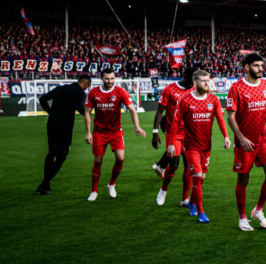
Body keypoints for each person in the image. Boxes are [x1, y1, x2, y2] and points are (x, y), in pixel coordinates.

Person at [167, 70, 230, 224]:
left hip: (206, 146)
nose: (206, 83)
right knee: (197, 177)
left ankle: (193, 204)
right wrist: (171, 143)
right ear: (195, 83)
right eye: (203, 81)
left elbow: (220, 119)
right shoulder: (185, 100)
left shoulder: (214, 99)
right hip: (191, 146)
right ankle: (201, 213)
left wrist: (226, 136)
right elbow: (175, 122)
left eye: (208, 81)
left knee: (201, 179)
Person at [226, 53, 266, 231]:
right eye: (256, 66)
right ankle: (242, 218)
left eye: (262, 66)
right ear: (246, 67)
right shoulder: (236, 88)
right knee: (243, 179)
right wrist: (240, 138)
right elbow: (230, 117)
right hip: (244, 142)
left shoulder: (265, 85)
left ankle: (258, 210)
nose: (260, 69)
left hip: (262, 139)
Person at [85, 68, 146, 201]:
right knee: (98, 160)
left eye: (112, 78)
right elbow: (87, 113)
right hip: (99, 132)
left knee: (120, 158)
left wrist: (137, 127)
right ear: (101, 78)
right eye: (107, 78)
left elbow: (132, 110)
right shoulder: (93, 92)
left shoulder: (120, 91)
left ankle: (111, 184)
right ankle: (94, 191)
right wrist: (88, 132)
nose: (110, 81)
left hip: (115, 131)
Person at [36, 75, 92, 194]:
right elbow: (80, 109)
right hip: (65, 127)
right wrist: (89, 110)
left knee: (51, 153)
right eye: (86, 87)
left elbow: (42, 99)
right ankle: (44, 184)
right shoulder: (80, 93)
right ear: (85, 84)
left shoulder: (60, 88)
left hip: (51, 124)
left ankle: (45, 185)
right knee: (62, 156)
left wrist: (50, 112)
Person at [153, 67, 196, 207]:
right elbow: (160, 111)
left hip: (190, 133)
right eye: (192, 79)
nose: (194, 82)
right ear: (185, 75)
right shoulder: (170, 89)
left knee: (190, 166)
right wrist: (155, 132)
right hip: (173, 132)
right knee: (174, 163)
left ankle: (184, 199)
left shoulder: (196, 89)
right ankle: (163, 190)